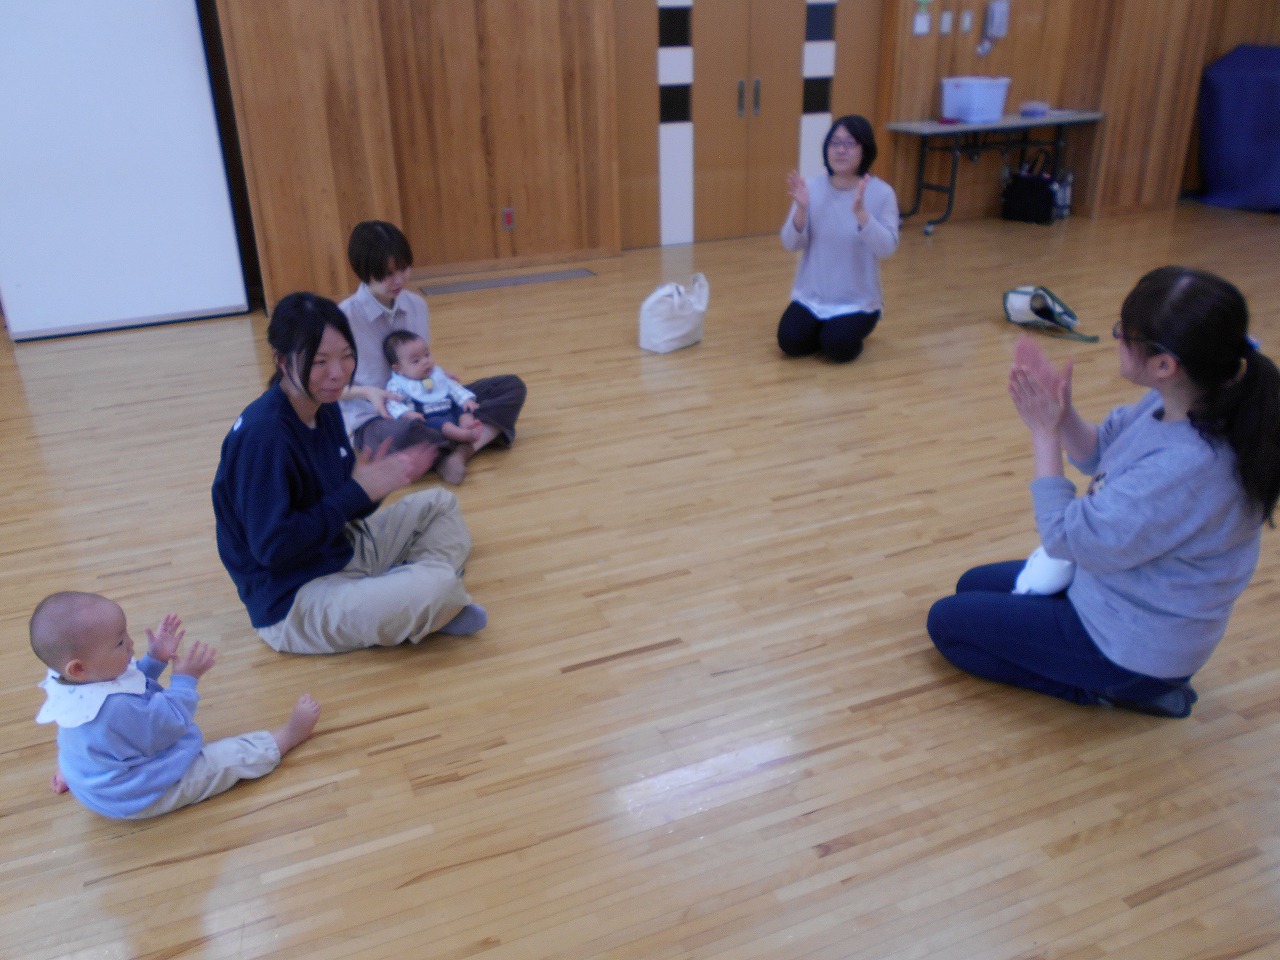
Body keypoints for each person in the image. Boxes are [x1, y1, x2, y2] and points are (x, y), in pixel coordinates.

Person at [928, 267, 1280, 717]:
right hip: (1111, 589)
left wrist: (1044, 434)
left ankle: (1119, 691)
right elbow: (1099, 453)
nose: (1116, 338)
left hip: (1130, 648)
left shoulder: (1186, 466)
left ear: (1164, 365)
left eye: (1123, 333)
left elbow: (1064, 537)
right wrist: (1062, 414)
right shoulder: (1187, 397)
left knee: (947, 625)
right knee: (971, 585)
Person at [212, 292, 488, 655]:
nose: (338, 373)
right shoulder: (264, 437)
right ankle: (423, 600)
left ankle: (414, 603)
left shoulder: (323, 406)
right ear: (282, 361)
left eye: (346, 356)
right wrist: (357, 491)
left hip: (339, 549)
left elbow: (346, 507)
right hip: (294, 596)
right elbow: (272, 549)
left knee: (441, 504)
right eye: (320, 361)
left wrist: (375, 486)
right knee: (436, 585)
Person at [31, 592, 319, 819]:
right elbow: (168, 725)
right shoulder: (114, 710)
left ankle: (74, 772)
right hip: (134, 795)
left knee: (76, 738)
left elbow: (129, 683)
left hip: (89, 776)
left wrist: (154, 659)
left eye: (126, 635)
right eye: (119, 643)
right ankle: (285, 738)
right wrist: (185, 680)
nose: (131, 644)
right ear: (79, 668)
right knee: (224, 761)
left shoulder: (70, 680)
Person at [338, 220, 527, 485]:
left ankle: (455, 452)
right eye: (387, 274)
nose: (399, 280)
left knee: (511, 387)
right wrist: (368, 392)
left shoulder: (416, 304)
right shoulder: (343, 318)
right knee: (402, 433)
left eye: (403, 268)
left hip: (431, 404)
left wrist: (433, 373)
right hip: (379, 417)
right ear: (364, 272)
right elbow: (321, 388)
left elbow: (417, 358)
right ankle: (462, 445)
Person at [777, 115, 899, 363]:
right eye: (834, 142)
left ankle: (838, 331)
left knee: (837, 347)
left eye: (849, 143)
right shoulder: (811, 188)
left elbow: (887, 248)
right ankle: (825, 329)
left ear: (864, 150)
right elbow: (791, 243)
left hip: (858, 302)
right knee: (789, 342)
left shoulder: (882, 193)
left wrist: (862, 214)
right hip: (812, 297)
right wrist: (801, 209)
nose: (840, 150)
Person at [382, 330, 484, 446]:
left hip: (449, 406)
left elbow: (453, 387)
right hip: (429, 416)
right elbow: (392, 402)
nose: (425, 361)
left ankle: (467, 425)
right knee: (439, 424)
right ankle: (462, 435)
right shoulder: (397, 384)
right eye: (416, 361)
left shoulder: (436, 373)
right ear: (398, 369)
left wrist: (466, 400)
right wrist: (407, 413)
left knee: (464, 409)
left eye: (427, 355)